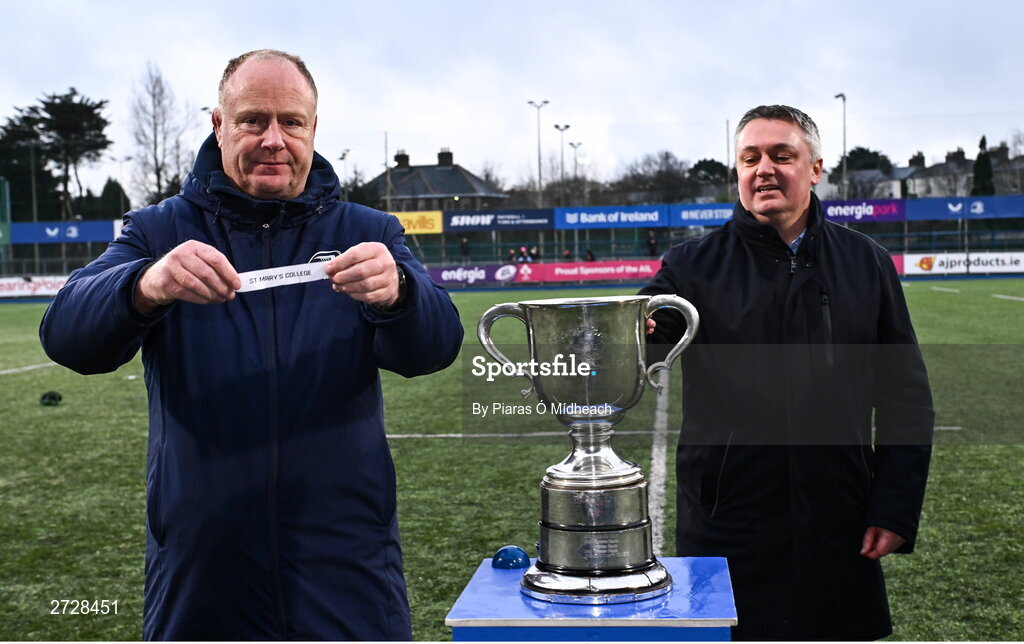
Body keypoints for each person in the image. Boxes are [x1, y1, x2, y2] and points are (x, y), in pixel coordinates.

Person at [39, 49, 464, 641]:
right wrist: (144, 285)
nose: (273, 140)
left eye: (291, 122)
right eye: (252, 120)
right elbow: (65, 337)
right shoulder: (159, 231)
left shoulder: (369, 233)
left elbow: (436, 349)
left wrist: (402, 296)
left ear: (313, 130)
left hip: (345, 560)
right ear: (218, 125)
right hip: (201, 564)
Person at [640, 105, 933, 640]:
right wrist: (631, 334)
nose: (763, 169)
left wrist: (894, 507)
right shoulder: (691, 266)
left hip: (838, 516)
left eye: (782, 155)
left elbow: (905, 396)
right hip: (727, 520)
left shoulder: (866, 262)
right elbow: (642, 340)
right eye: (749, 158)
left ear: (816, 168)